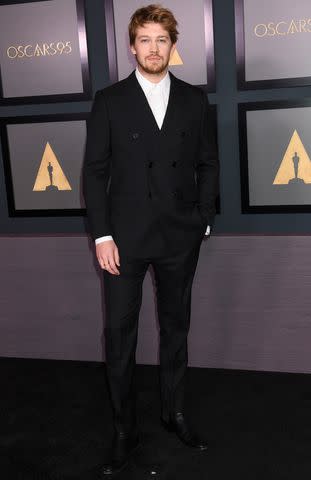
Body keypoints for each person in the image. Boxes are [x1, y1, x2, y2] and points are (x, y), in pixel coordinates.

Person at [83, 4, 219, 476]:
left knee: (175, 329)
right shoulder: (110, 99)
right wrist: (101, 234)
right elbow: (95, 171)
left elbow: (209, 162)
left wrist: (204, 217)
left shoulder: (194, 99)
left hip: (180, 236)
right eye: (145, 39)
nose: (154, 48)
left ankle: (174, 412)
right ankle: (125, 429)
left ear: (172, 45)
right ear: (131, 45)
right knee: (120, 335)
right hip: (124, 239)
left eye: (162, 39)